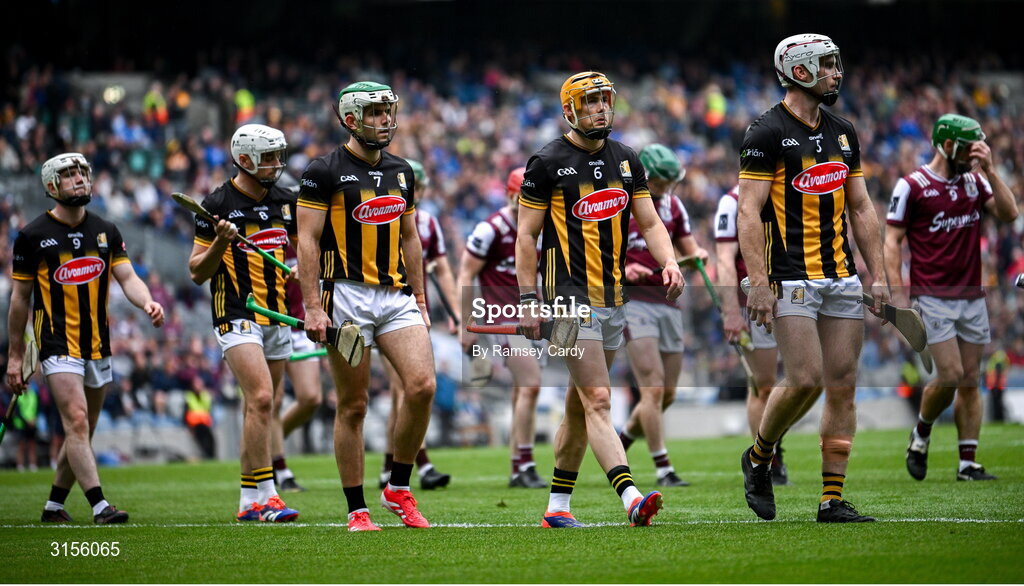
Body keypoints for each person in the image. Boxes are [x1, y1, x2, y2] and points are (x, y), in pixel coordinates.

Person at [516, 71, 683, 528]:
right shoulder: (546, 162)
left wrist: (668, 261)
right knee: (598, 398)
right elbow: (526, 237)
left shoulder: (627, 159)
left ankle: (557, 508)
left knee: (578, 403)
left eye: (605, 100)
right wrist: (529, 298)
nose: (601, 109)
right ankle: (630, 496)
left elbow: (649, 223)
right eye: (590, 102)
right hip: (565, 299)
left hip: (613, 298)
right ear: (569, 110)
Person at [738, 34, 889, 523]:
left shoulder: (844, 132)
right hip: (789, 275)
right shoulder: (764, 132)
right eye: (826, 66)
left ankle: (831, 498)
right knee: (804, 378)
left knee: (842, 383)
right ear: (799, 71)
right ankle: (759, 456)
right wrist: (757, 282)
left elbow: (862, 208)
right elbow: (748, 211)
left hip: (841, 274)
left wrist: (880, 276)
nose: (836, 73)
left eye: (835, 64)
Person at [297, 81, 436, 531]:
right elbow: (307, 241)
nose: (386, 120)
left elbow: (411, 239)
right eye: (375, 113)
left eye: (389, 112)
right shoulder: (323, 171)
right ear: (351, 119)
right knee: (354, 404)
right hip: (346, 297)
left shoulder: (402, 171)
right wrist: (314, 306)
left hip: (395, 296)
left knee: (422, 386)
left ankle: (398, 486)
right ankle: (357, 509)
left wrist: (419, 296)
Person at [7, 152, 165, 524]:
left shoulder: (107, 229)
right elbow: (19, 300)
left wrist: (148, 303)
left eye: (82, 172)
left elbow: (127, 278)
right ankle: (99, 505)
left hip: (97, 343)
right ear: (51, 186)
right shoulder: (32, 236)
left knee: (84, 429)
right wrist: (16, 357)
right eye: (68, 175)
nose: (79, 179)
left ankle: (53, 506)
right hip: (56, 344)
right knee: (76, 421)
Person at [885, 113, 1018, 482]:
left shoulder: (976, 182)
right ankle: (922, 430)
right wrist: (898, 298)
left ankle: (967, 463)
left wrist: (990, 170)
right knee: (950, 373)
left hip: (972, 294)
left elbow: (1010, 213)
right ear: (946, 145)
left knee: (970, 379)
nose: (974, 154)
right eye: (968, 147)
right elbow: (892, 242)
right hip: (932, 295)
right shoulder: (911, 186)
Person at [188, 124, 299, 523]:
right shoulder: (217, 203)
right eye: (268, 157)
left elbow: (303, 253)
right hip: (235, 311)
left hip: (277, 312)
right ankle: (268, 497)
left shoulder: (287, 201)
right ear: (245, 159)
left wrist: (302, 269)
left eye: (277, 156)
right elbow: (197, 272)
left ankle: (246, 499)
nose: (276, 164)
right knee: (261, 399)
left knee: (264, 406)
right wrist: (220, 241)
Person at [617, 144, 707, 488]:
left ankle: (623, 439)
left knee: (667, 393)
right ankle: (663, 468)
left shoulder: (673, 205)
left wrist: (696, 253)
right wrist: (626, 268)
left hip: (669, 301)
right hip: (633, 303)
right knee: (652, 389)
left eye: (671, 183)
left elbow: (686, 245)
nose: (667, 189)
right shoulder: (625, 202)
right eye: (661, 182)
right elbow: (603, 252)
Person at [459, 166, 546, 489]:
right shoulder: (491, 228)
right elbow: (465, 274)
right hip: (503, 319)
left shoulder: (540, 226)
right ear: (511, 195)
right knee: (532, 385)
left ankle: (517, 466)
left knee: (524, 390)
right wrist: (466, 323)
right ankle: (525, 462)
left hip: (531, 316)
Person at [378, 159, 453, 491]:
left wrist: (455, 313)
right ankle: (420, 466)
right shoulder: (383, 216)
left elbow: (443, 269)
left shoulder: (428, 223)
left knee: (412, 389)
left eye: (420, 187)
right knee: (402, 389)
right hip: (386, 307)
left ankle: (388, 466)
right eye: (414, 186)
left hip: (413, 310)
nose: (417, 193)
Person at [715, 184, 790, 486]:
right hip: (757, 303)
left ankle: (772, 451)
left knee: (805, 379)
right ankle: (767, 459)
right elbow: (724, 260)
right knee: (763, 385)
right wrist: (731, 311)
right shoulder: (731, 202)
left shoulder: (786, 190)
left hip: (795, 295)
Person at [270, 244, 325, 493]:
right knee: (273, 399)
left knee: (311, 398)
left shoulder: (307, 230)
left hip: (301, 324)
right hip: (269, 322)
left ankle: (265, 441)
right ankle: (279, 468)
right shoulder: (268, 224)